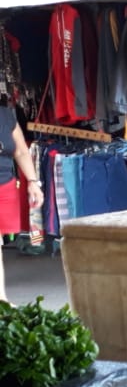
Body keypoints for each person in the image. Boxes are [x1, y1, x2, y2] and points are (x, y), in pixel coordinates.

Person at [0, 106, 44, 302]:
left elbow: (21, 152)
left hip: (4, 184)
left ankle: (1, 301)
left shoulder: (6, 115)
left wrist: (33, 182)